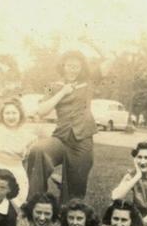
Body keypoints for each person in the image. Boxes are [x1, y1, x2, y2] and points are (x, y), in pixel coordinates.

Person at [26, 50, 97, 203]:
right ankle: (35, 203)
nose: (73, 69)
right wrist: (63, 92)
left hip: (82, 140)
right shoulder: (53, 86)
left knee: (74, 191)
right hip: (60, 137)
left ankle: (67, 213)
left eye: (77, 66)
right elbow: (42, 110)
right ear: (63, 66)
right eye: (69, 65)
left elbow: (106, 66)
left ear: (82, 68)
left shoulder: (88, 83)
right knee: (39, 150)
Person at [0, 97, 37, 210]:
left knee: (18, 201)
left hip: (17, 170)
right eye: (7, 113)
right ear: (2, 115)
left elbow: (25, 159)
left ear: (20, 115)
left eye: (14, 113)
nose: (11, 116)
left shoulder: (27, 135)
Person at [111, 140, 147, 216]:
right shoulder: (132, 176)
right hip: (137, 215)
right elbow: (115, 197)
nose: (142, 162)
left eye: (146, 158)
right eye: (139, 157)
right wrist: (137, 176)